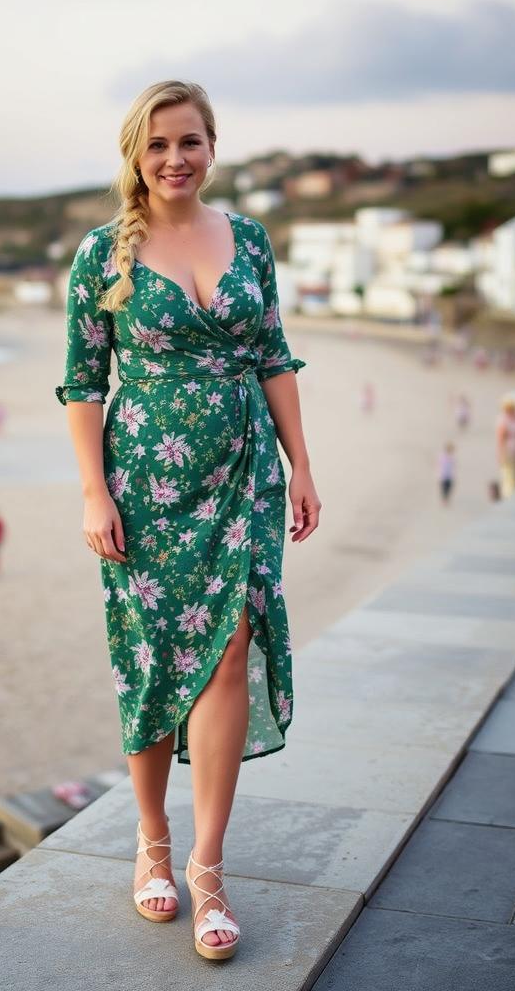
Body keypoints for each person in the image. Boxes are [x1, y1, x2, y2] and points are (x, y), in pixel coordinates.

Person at [55, 80, 319, 961]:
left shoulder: (248, 238)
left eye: (192, 142)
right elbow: (84, 383)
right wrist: (95, 492)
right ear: (136, 153)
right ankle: (151, 842)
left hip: (244, 472)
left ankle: (207, 866)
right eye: (160, 144)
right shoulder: (102, 253)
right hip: (146, 483)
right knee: (155, 652)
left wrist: (301, 462)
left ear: (214, 147)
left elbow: (274, 353)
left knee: (231, 644)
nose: (177, 158)